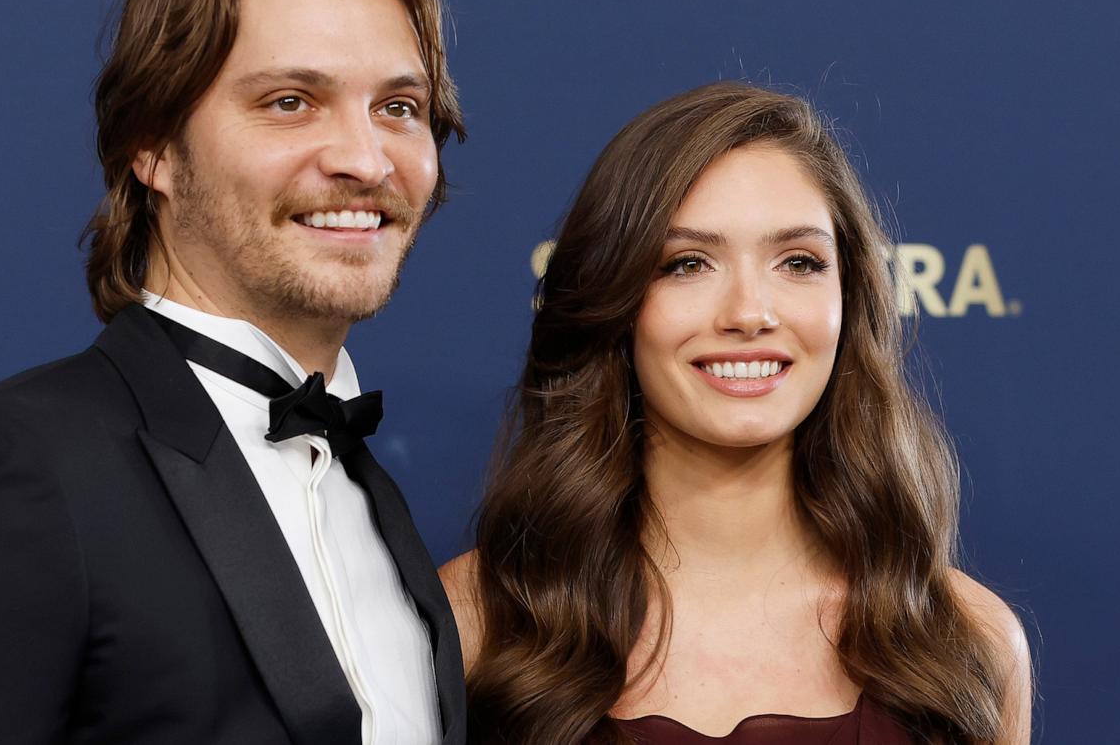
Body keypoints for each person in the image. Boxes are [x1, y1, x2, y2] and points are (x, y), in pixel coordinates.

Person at [0, 0, 466, 745]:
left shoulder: (374, 499)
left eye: (398, 108)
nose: (363, 157)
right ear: (151, 146)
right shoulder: (7, 472)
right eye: (289, 102)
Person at [440, 82, 1031, 744]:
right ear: (617, 300)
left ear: (850, 296)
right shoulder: (475, 623)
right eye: (688, 263)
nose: (750, 312)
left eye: (798, 262)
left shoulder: (966, 640)